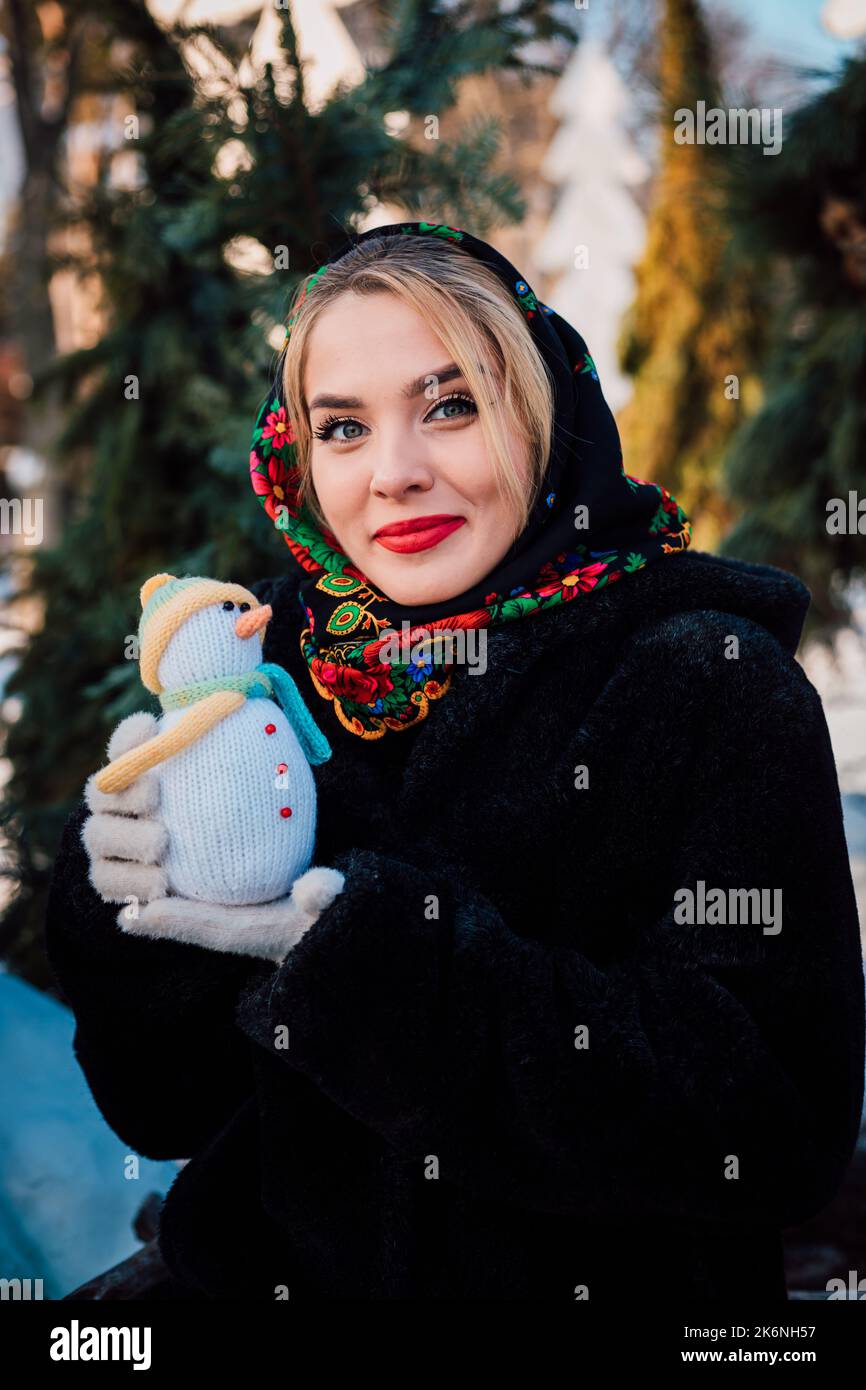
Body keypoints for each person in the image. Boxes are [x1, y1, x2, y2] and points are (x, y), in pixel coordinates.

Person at [45, 222, 865, 1302]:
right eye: (341, 427)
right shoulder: (268, 669)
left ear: (542, 412)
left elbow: (768, 1127)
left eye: (449, 406)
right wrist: (129, 917)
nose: (393, 473)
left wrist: (376, 970)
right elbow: (163, 1108)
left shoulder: (703, 677)